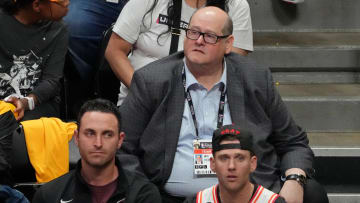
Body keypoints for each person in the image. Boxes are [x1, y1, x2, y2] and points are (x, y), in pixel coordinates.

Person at [118, 6, 328, 203]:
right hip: (170, 197)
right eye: (193, 32)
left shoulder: (254, 78)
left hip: (247, 196)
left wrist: (295, 179)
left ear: (228, 44)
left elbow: (293, 142)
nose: (198, 41)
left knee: (312, 192)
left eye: (209, 36)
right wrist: (144, 192)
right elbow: (122, 148)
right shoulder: (152, 80)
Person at [105, 0, 253, 106]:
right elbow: (114, 50)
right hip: (143, 101)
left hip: (204, 103)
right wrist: (144, 91)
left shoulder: (236, 5)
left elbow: (233, 64)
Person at [32, 99, 162, 203]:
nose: (98, 143)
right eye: (90, 133)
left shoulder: (143, 195)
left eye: (107, 134)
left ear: (120, 140)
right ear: (76, 138)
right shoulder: (50, 195)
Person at [0, 0, 69, 121]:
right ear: (37, 5)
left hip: (39, 103)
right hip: (3, 104)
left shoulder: (59, 29)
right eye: (61, 1)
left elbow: (52, 81)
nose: (67, 3)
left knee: (20, 130)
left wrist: (26, 102)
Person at [185, 125, 286, 203]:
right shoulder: (198, 201)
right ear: (213, 164)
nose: (231, 166)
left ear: (252, 163)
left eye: (240, 158)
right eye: (224, 158)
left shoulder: (272, 201)